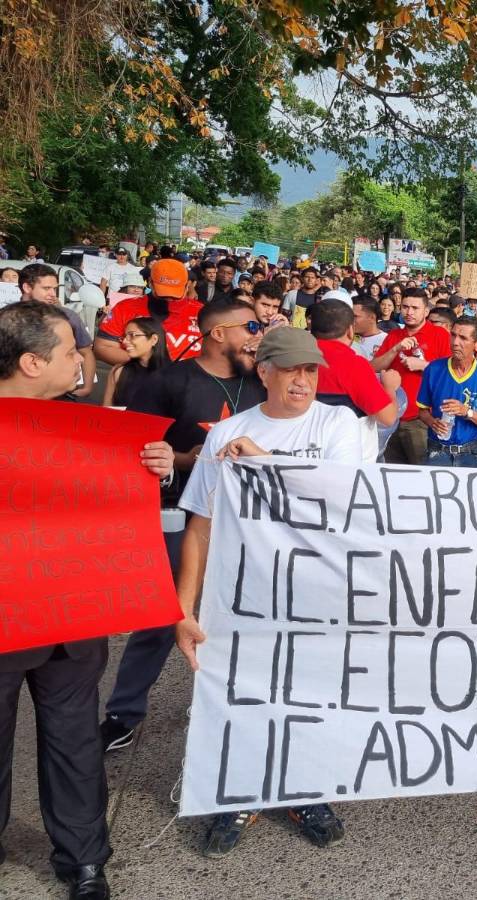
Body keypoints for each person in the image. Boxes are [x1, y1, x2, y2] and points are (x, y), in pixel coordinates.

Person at [0, 301, 174, 900]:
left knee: (74, 737)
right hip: (5, 618)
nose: (86, 360)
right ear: (30, 362)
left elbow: (120, 500)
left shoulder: (89, 427)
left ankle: (83, 860)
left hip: (73, 617)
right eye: (72, 352)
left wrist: (153, 466)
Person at [174, 327, 359, 858]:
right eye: (291, 369)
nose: (302, 381)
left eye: (311, 371)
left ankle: (305, 792)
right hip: (244, 594)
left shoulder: (338, 423)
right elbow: (200, 527)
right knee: (243, 695)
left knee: (312, 697)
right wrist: (182, 610)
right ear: (264, 372)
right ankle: (240, 795)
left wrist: (264, 461)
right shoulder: (226, 432)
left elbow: (340, 500)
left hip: (319, 592)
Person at [97, 298, 266, 760]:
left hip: (251, 522)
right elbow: (131, 449)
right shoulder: (169, 381)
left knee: (242, 618)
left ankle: (238, 709)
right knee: (162, 614)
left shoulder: (262, 380)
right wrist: (184, 462)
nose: (258, 332)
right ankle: (123, 714)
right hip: (180, 516)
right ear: (217, 334)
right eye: (250, 325)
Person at [372, 288, 451, 464]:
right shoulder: (394, 335)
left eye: (415, 308)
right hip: (390, 416)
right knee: (390, 472)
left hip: (420, 419)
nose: (409, 312)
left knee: (421, 473)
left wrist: (424, 366)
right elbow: (373, 367)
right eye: (405, 307)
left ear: (426, 311)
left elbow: (451, 375)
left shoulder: (440, 335)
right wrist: (395, 349)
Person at [415, 316, 477, 467]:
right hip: (437, 451)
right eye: (453, 335)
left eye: (463, 338)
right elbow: (422, 411)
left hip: (471, 452)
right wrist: (432, 422)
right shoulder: (434, 369)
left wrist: (466, 412)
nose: (455, 342)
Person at [308, 299, 399, 431]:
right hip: (344, 442)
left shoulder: (294, 357)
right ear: (350, 330)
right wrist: (390, 388)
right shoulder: (354, 365)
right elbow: (388, 418)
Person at [95, 258, 204, 365]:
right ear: (150, 283)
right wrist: (146, 364)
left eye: (174, 293)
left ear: (187, 286)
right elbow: (102, 347)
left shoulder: (203, 313)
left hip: (189, 380)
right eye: (163, 292)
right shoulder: (124, 307)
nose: (169, 298)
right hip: (138, 379)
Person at [17, 263, 96, 398]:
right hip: (15, 395)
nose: (52, 294)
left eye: (55, 288)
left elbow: (86, 353)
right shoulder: (7, 318)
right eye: (46, 288)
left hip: (58, 396)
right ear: (27, 287)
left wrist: (87, 386)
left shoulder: (69, 317)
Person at [101, 316, 167, 407]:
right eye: (124, 336)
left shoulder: (174, 375)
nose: (124, 341)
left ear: (153, 339)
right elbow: (106, 411)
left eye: (132, 335)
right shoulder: (119, 371)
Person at [351, 296, 389, 360]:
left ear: (372, 318)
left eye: (355, 316)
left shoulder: (386, 341)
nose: (350, 319)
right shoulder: (346, 338)